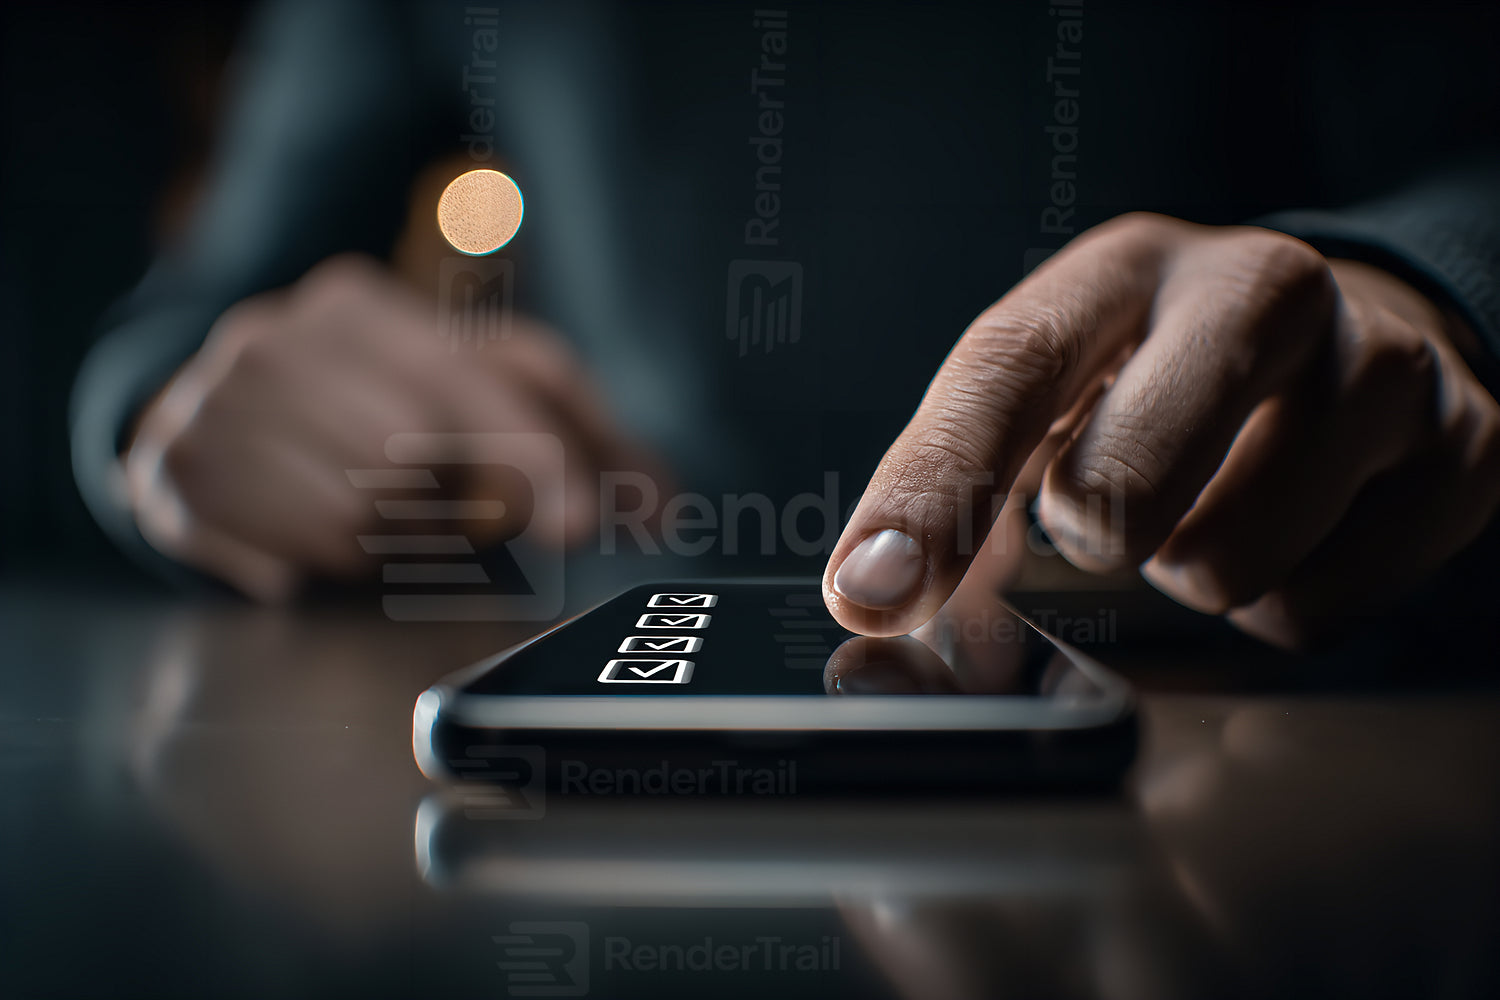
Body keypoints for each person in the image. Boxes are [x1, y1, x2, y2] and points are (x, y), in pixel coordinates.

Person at [71, 0, 1500, 649]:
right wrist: (158, 415)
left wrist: (1417, 285)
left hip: (1250, 671)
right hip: (602, 659)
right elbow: (197, 311)